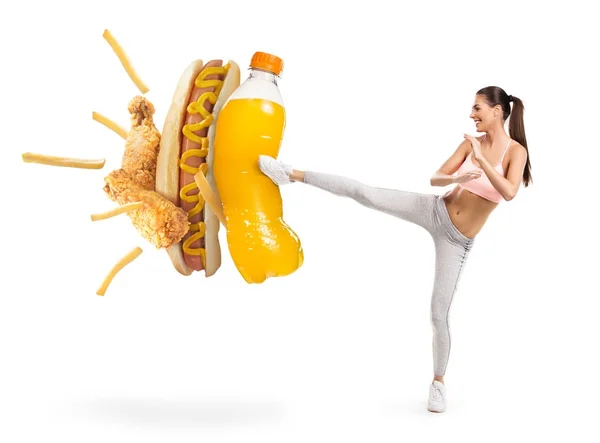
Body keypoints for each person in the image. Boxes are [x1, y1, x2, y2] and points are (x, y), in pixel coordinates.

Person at [257, 86, 532, 413]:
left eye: (478, 109)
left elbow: (510, 191)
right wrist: (461, 171)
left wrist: (481, 163)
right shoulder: (468, 145)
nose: (472, 115)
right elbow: (436, 178)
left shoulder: (515, 152)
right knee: (366, 193)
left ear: (498, 111)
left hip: (456, 241)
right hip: (434, 209)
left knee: (438, 312)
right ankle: (289, 173)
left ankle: (438, 382)